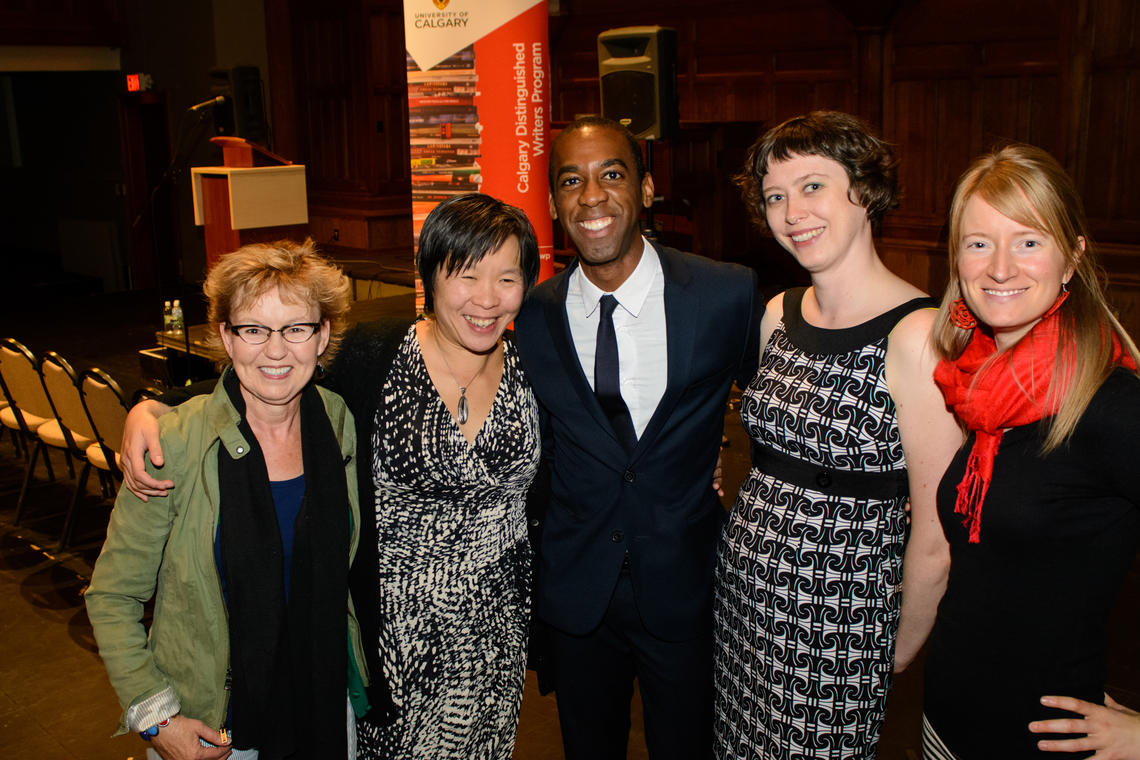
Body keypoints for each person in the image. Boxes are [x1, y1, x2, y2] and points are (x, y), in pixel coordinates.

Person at [119, 194, 543, 760]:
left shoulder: (535, 367)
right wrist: (152, 409)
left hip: (497, 635)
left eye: (507, 278)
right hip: (389, 643)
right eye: (466, 275)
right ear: (430, 278)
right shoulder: (374, 357)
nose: (487, 299)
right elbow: (267, 379)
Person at [713, 111, 963, 759]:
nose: (793, 211)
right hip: (742, 601)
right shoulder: (777, 313)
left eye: (813, 186)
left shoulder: (917, 336)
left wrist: (896, 652)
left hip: (837, 625)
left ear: (866, 191)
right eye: (775, 195)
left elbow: (937, 536)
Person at [512, 115, 762, 759]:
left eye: (612, 175)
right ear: (553, 203)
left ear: (647, 190)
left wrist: (731, 474)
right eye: (571, 180)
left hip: (684, 586)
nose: (591, 196)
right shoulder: (534, 316)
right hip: (576, 593)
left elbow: (776, 414)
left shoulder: (725, 293)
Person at [85, 240, 366, 760]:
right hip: (215, 732)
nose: (276, 350)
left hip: (325, 712)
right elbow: (112, 596)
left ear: (322, 335)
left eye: (296, 328)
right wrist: (155, 718)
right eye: (254, 330)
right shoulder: (174, 443)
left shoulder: (337, 421)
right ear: (226, 338)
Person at [921, 144, 1140, 758]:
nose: (999, 267)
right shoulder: (982, 386)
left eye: (1028, 241)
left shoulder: (1112, 405)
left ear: (1072, 257)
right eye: (978, 242)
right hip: (947, 719)